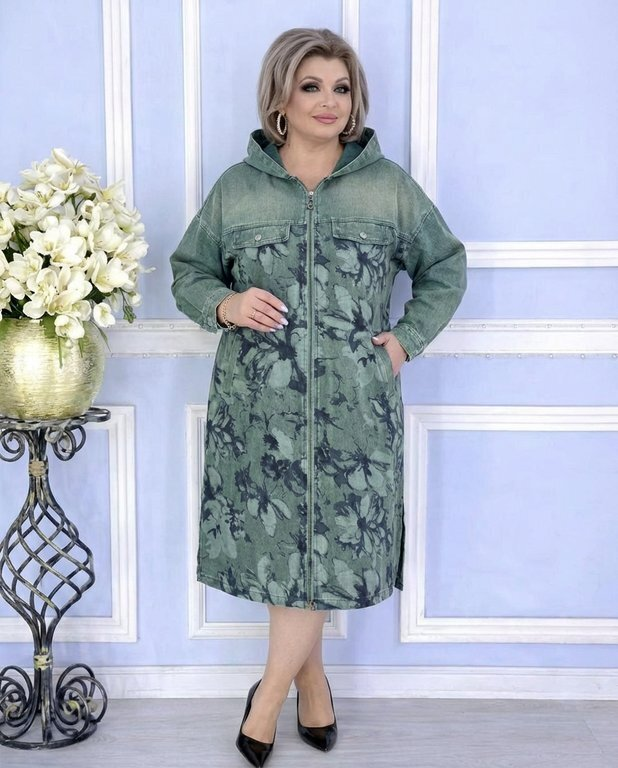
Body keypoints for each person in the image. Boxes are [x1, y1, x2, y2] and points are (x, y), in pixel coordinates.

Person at [170, 26, 467, 766]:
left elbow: (445, 266)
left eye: (341, 88)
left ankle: (266, 698)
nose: (329, 101)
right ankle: (312, 684)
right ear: (280, 97)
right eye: (311, 87)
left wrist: (403, 342)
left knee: (324, 552)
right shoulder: (237, 189)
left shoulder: (386, 186)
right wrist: (225, 304)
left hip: (354, 410)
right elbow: (188, 272)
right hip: (256, 410)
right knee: (287, 552)